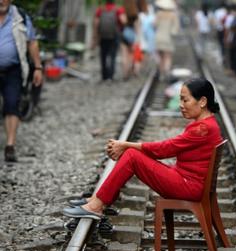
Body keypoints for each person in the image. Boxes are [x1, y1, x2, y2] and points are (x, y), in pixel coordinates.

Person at [63, 78, 222, 219]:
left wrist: (126, 145)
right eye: (180, 100)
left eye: (185, 100)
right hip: (187, 182)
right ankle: (97, 199)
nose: (181, 105)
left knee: (132, 156)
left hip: (189, 187)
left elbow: (165, 149)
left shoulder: (202, 129)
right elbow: (165, 149)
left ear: (202, 101)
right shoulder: (206, 124)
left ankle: (96, 205)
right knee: (133, 155)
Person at [0, 0, 43, 162]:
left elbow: (32, 42)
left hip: (14, 69)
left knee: (12, 103)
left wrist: (38, 68)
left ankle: (10, 145)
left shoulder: (21, 16)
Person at [93, 0, 126, 82]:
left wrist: (95, 35)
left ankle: (104, 75)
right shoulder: (118, 9)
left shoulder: (100, 9)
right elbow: (123, 21)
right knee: (112, 56)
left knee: (103, 56)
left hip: (103, 36)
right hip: (114, 36)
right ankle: (110, 76)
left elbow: (96, 23)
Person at [154, 0, 179, 80]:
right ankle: (166, 73)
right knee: (167, 57)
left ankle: (161, 75)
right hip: (168, 38)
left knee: (160, 57)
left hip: (158, 38)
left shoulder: (158, 14)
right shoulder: (173, 15)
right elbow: (175, 30)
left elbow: (154, 25)